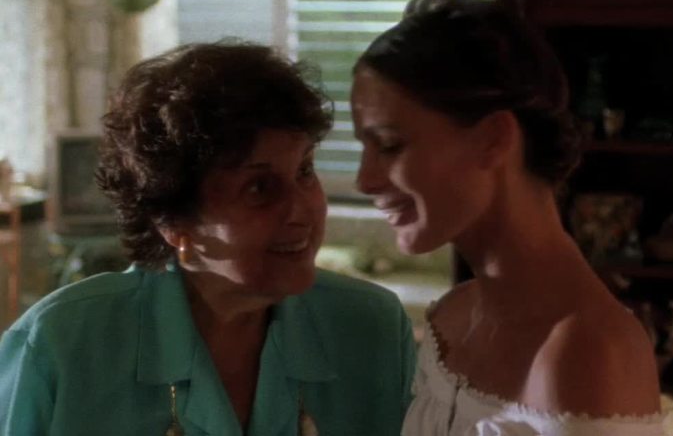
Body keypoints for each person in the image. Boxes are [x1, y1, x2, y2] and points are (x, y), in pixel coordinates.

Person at [0, 42, 415, 435]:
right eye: (259, 188)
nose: (302, 210)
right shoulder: (60, 345)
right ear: (173, 221)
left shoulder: (371, 329)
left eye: (304, 171)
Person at [351, 0, 663, 435]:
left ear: (493, 139)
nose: (364, 180)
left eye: (389, 145)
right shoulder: (450, 320)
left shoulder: (590, 352)